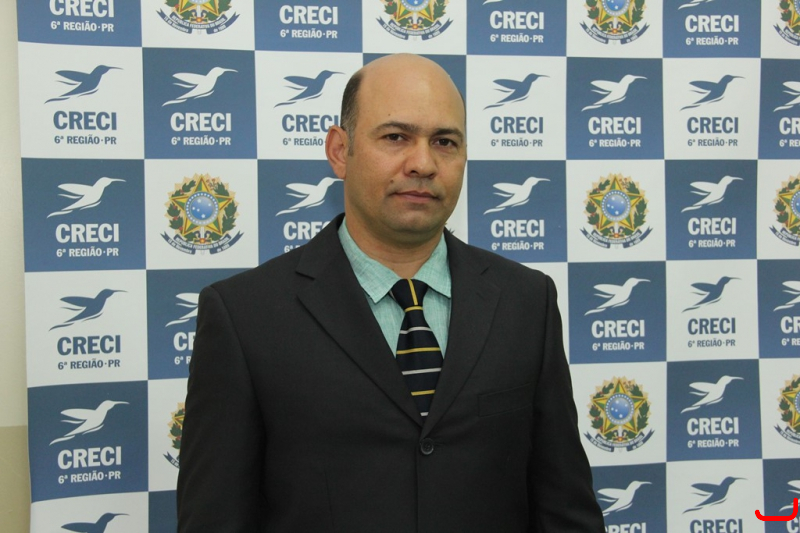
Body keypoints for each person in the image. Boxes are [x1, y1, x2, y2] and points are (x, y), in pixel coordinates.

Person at [177, 53, 604, 532]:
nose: (423, 163)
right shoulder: (245, 316)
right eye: (396, 137)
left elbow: (565, 509)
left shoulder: (527, 301)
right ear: (340, 151)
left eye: (444, 142)